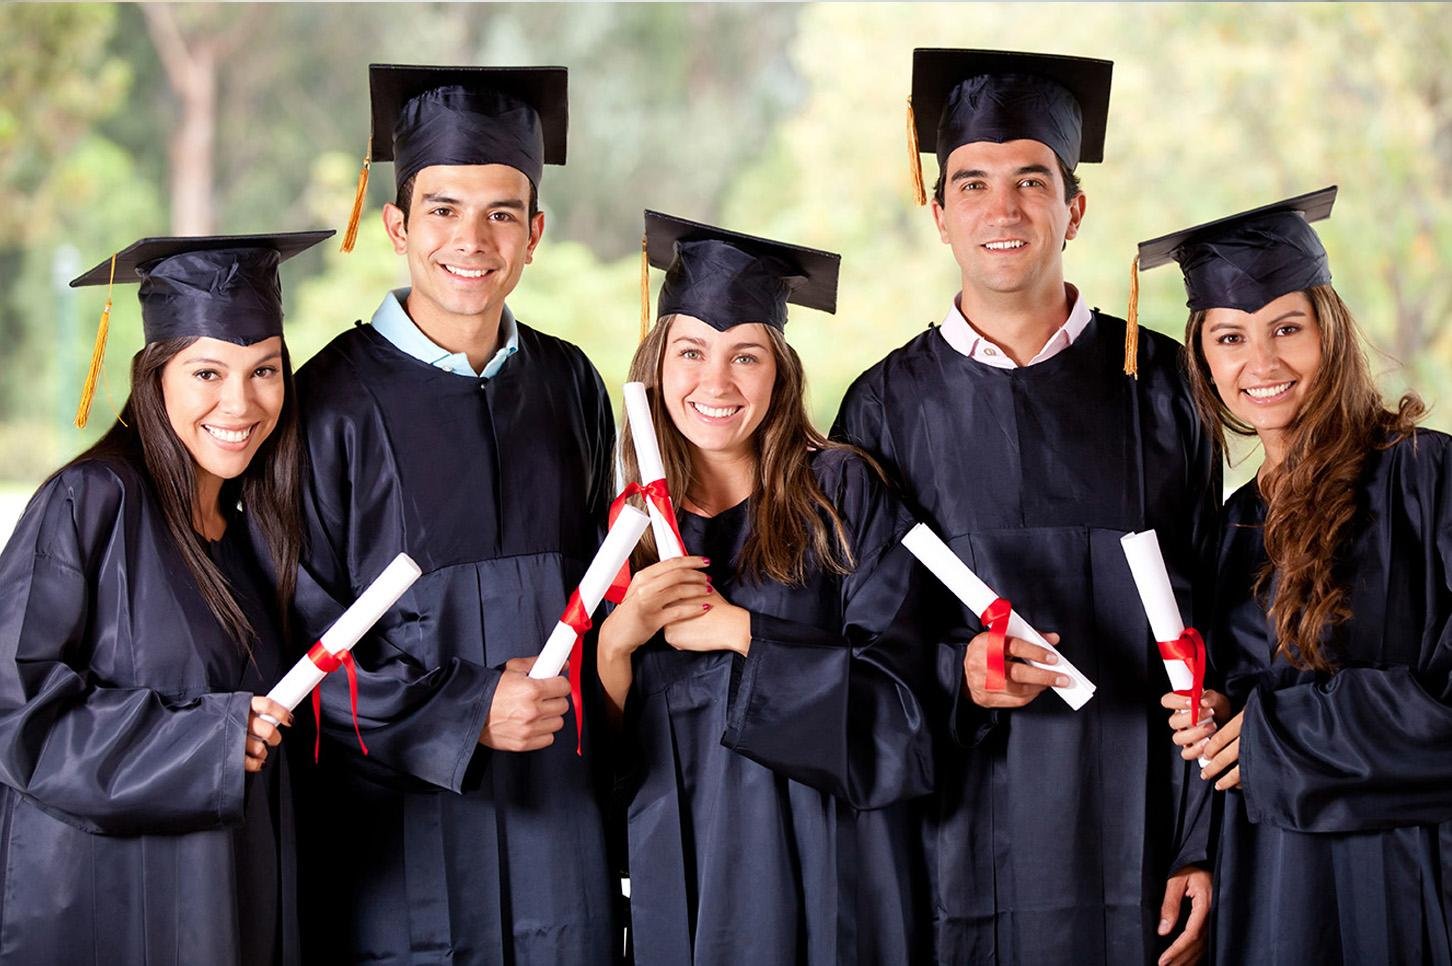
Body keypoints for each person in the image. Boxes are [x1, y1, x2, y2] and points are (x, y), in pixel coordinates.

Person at [832, 49, 1219, 965]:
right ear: (938, 212)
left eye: (1031, 181)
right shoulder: (883, 408)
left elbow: (1223, 622)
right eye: (971, 184)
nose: (1001, 210)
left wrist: (1203, 839)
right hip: (959, 849)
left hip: (1147, 841)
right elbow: (865, 653)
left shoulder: (1169, 385)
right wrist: (955, 672)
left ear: (1074, 209)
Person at [292, 65, 620, 964]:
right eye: (441, 209)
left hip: (561, 818)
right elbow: (296, 635)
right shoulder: (325, 403)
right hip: (399, 838)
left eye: (501, 213)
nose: (470, 239)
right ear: (397, 226)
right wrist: (467, 711)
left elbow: (602, 587)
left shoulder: (570, 384)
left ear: (535, 233)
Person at [601, 211, 935, 965]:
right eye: (691, 352)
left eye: (745, 356)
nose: (715, 382)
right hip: (681, 871)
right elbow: (605, 760)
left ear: (780, 372)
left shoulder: (840, 494)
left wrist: (740, 631)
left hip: (827, 866)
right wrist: (620, 638)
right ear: (656, 365)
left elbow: (905, 709)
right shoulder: (629, 526)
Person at [0, 230, 331, 965]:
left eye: (265, 371)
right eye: (207, 372)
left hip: (228, 906)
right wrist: (210, 738)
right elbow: (16, 714)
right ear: (153, 376)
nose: (240, 402)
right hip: (104, 908)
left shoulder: (253, 534)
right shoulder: (91, 503)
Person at [1148, 187, 1452, 963]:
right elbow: (1238, 716)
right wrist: (1219, 725)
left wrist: (1279, 734)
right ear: (1203, 359)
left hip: (1404, 874)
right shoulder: (1227, 526)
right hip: (1271, 881)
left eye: (1287, 328)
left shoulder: (1426, 478)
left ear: (1331, 332)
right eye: (1229, 338)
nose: (1262, 363)